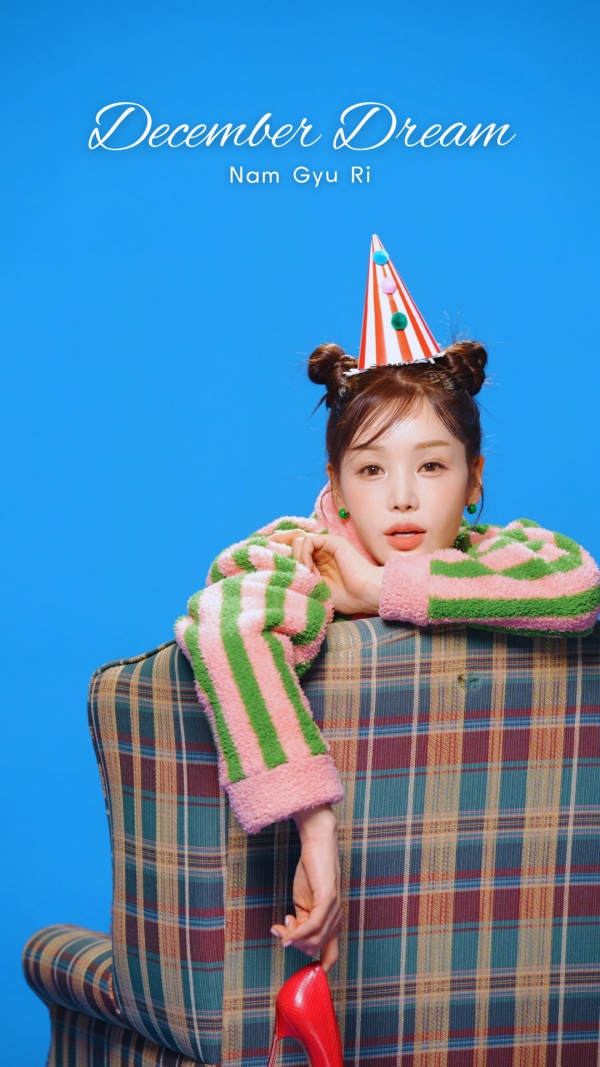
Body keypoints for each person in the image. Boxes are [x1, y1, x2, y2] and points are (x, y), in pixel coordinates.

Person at [175, 236, 600, 978]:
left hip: (494, 907)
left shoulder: (502, 556)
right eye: (371, 470)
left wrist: (379, 590)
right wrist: (315, 830)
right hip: (309, 900)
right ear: (337, 485)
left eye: (431, 465)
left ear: (473, 479)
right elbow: (225, 625)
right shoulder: (300, 553)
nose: (402, 496)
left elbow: (579, 586)